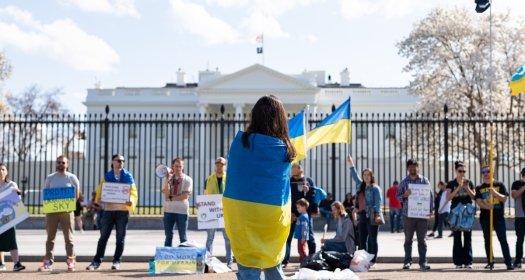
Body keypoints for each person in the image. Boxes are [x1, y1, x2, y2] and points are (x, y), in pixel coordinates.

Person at [223, 95, 296, 280]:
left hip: (240, 210)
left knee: (247, 268)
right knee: (273, 264)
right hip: (271, 212)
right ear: (280, 118)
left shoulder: (239, 143)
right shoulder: (285, 148)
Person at [86, 154, 138, 271]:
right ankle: (96, 262)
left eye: (123, 161)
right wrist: (98, 199)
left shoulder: (128, 176)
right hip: (109, 211)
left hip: (123, 211)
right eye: (118, 160)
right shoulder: (106, 176)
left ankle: (116, 261)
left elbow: (134, 193)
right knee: (103, 237)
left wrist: (132, 200)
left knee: (120, 238)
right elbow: (100, 192)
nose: (121, 162)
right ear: (112, 162)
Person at [38, 155, 80, 272]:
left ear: (67, 164)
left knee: (69, 238)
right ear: (56, 164)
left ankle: (71, 261)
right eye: (59, 162)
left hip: (67, 212)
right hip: (52, 212)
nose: (61, 164)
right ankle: (48, 262)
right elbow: (46, 193)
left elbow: (76, 195)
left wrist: (68, 205)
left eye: (63, 163)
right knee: (50, 237)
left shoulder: (72, 178)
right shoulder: (50, 178)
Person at [396, 159, 432, 271]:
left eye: (415, 166)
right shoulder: (403, 182)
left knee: (422, 240)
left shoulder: (424, 181)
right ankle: (407, 262)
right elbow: (398, 196)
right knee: (408, 240)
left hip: (422, 215)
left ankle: (423, 262)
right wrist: (405, 195)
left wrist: (430, 210)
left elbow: (430, 197)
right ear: (407, 168)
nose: (412, 168)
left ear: (418, 167)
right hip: (408, 215)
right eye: (410, 166)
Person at [475, 166, 514, 270]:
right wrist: (487, 206)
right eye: (483, 172)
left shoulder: (499, 184)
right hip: (485, 217)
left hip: (498, 217)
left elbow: (504, 199)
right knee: (487, 240)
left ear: (492, 173)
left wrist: (495, 193)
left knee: (502, 239)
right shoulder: (479, 187)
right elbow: (478, 201)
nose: (485, 173)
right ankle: (490, 261)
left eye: (488, 171)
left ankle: (508, 262)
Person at [347, 155, 382, 265]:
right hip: (362, 216)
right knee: (362, 240)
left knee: (372, 239)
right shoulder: (360, 186)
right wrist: (351, 164)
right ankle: (364, 260)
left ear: (372, 176)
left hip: (372, 215)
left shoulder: (375, 188)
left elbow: (378, 203)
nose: (366, 177)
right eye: (364, 175)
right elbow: (354, 176)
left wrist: (377, 214)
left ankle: (372, 260)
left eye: (368, 175)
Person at [282, 163, 316, 268]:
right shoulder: (289, 181)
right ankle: (284, 260)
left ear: (300, 169)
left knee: (309, 237)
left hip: (305, 214)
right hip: (292, 214)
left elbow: (312, 199)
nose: (291, 169)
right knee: (287, 237)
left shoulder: (308, 181)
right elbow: (285, 196)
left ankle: (312, 259)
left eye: (294, 167)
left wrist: (308, 191)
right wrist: (290, 213)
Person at [446, 161, 475, 269]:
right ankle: (458, 262)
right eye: (460, 171)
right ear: (456, 171)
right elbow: (448, 197)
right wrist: (458, 188)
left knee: (468, 237)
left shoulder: (469, 182)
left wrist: (467, 188)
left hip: (467, 213)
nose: (462, 173)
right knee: (457, 237)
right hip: (456, 213)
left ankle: (468, 261)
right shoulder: (451, 183)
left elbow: (474, 197)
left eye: (464, 171)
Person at [204, 157, 232, 268]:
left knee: (228, 239)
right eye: (218, 164)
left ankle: (229, 261)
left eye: (222, 164)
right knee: (210, 238)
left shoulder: (229, 179)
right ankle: (208, 261)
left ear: (225, 166)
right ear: (215, 165)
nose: (219, 166)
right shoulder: (209, 179)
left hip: (225, 213)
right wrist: (201, 204)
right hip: (212, 213)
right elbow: (206, 194)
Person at [161, 157, 193, 246]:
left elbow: (185, 196)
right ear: (172, 167)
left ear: (183, 167)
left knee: (183, 237)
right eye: (176, 166)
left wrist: (171, 198)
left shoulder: (188, 179)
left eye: (180, 166)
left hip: (182, 211)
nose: (178, 168)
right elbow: (166, 195)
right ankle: (166, 258)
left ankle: (183, 258)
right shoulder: (166, 179)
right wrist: (168, 181)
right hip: (168, 211)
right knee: (168, 236)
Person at [0, 163, 26, 272]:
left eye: (3, 169)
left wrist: (18, 192)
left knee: (12, 239)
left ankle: (16, 263)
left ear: (6, 172)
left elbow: (18, 201)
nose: (1, 171)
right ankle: (1, 263)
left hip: (9, 217)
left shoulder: (11, 184)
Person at [511, 167, 525, 269]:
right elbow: (514, 195)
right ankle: (518, 261)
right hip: (520, 217)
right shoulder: (516, 183)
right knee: (520, 240)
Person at [294, 198, 310, 263]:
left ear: (303, 207)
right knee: (300, 250)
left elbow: (304, 228)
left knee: (302, 250)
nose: (297, 209)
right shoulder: (302, 216)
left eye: (298, 207)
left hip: (302, 237)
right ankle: (302, 262)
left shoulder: (304, 217)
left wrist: (303, 237)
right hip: (300, 237)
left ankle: (305, 262)